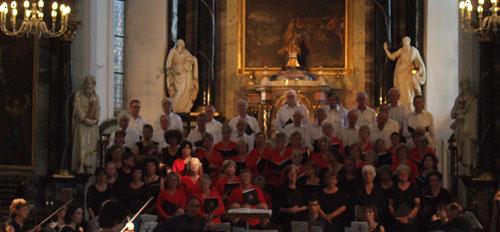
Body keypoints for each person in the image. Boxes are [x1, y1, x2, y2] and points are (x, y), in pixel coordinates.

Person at [383, 36, 427, 110]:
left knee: (409, 93)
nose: (405, 44)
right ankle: (403, 109)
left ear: (409, 42)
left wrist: (419, 71)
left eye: (407, 42)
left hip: (410, 74)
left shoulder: (414, 51)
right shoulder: (401, 50)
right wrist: (386, 50)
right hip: (401, 74)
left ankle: (410, 108)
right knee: (402, 93)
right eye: (404, 42)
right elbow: (392, 57)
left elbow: (420, 63)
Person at [72, 75, 100, 174]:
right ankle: (80, 166)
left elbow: (98, 111)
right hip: (82, 126)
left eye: (92, 83)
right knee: (82, 146)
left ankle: (89, 166)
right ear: (84, 84)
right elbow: (78, 109)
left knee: (91, 147)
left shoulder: (96, 97)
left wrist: (95, 120)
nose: (90, 85)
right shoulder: (79, 95)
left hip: (92, 127)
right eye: (88, 83)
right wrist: (84, 119)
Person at [451, 79, 478, 176]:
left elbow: (474, 114)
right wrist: (456, 114)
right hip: (460, 127)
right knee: (461, 148)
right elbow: (452, 112)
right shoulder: (459, 98)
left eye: (465, 84)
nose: (463, 87)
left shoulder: (473, 99)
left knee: (468, 148)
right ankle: (464, 167)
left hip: (468, 127)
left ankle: (468, 169)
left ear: (469, 85)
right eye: (462, 85)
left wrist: (464, 117)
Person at [166, 39, 199, 112]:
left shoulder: (185, 52)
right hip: (176, 74)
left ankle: (184, 107)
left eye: (182, 44)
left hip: (185, 75)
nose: (181, 45)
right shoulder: (173, 51)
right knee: (178, 92)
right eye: (180, 44)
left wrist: (189, 59)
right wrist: (171, 69)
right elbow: (168, 63)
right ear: (177, 44)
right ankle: (175, 106)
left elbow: (193, 59)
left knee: (185, 91)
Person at [388, 164, 421, 232]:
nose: (404, 175)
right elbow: (390, 205)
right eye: (401, 174)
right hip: (397, 220)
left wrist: (409, 217)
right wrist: (396, 217)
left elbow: (417, 205)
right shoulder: (393, 188)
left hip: (411, 220)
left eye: (405, 173)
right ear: (397, 175)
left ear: (408, 175)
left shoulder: (414, 187)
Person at [276, 165, 307, 231]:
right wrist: (288, 210)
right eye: (291, 173)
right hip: (286, 219)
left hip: (300, 218)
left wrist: (297, 209)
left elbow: (307, 205)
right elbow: (278, 207)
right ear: (287, 175)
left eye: (294, 173)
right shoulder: (281, 189)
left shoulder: (302, 188)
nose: (293, 175)